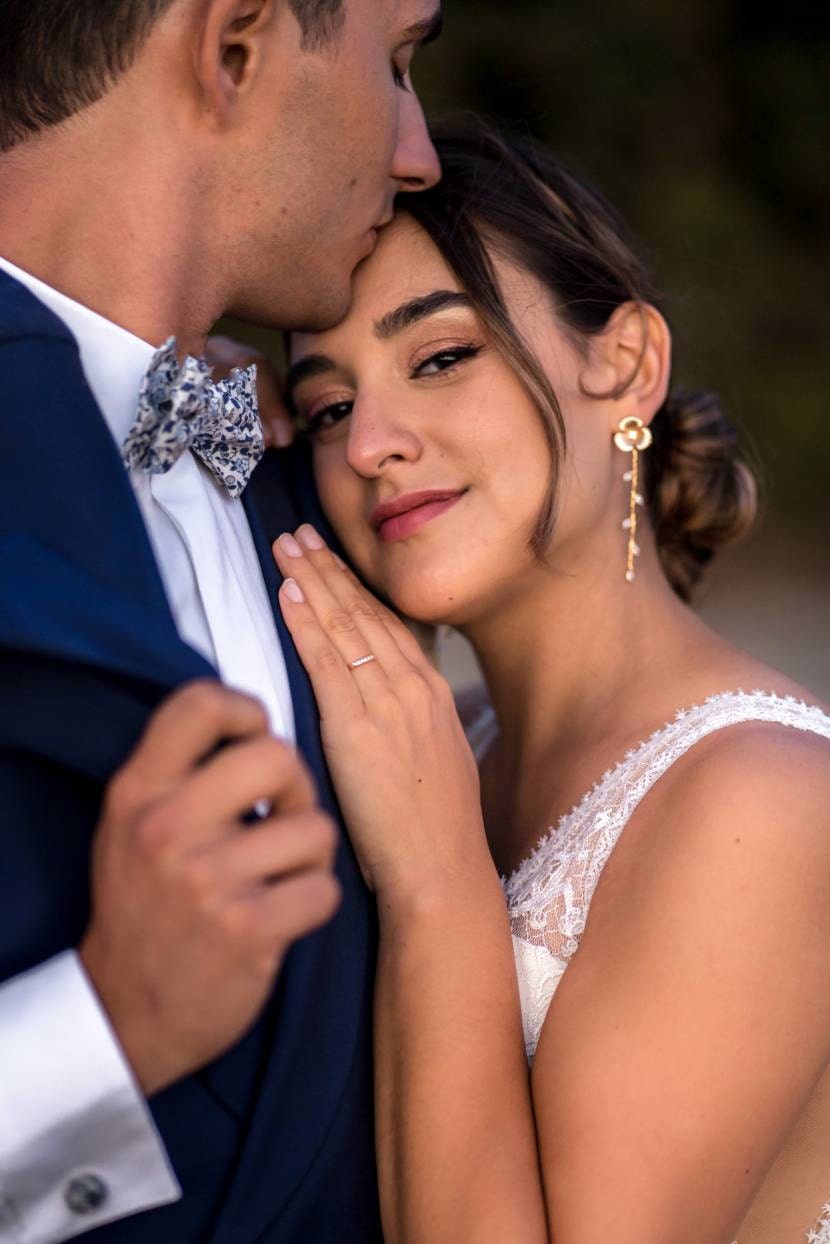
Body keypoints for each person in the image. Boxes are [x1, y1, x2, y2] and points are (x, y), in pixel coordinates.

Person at [272, 119, 830, 1243]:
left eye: (438, 357)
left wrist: (438, 886)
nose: (371, 440)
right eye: (327, 407)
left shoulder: (758, 805)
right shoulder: (440, 742)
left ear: (622, 363)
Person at [0, 1, 440, 1240]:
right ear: (233, 46)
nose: (419, 154)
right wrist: (101, 1031)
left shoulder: (320, 467)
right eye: (397, 63)